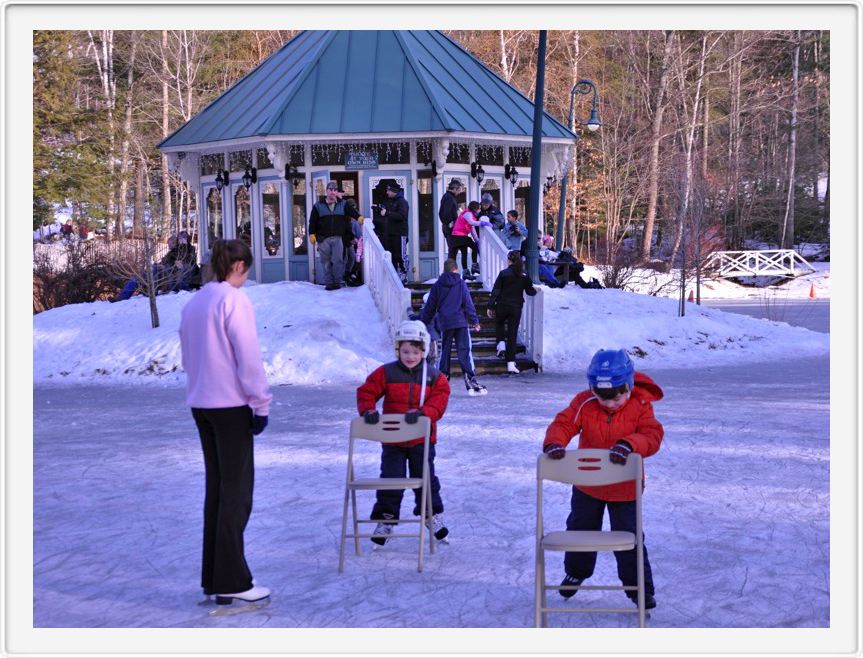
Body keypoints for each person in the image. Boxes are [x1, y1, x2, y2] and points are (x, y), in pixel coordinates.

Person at [178, 239, 273, 609]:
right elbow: (247, 356)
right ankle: (233, 580)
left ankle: (215, 580)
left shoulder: (194, 303)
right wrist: (260, 404)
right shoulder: (233, 301)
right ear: (237, 267)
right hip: (230, 406)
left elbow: (188, 355)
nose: (246, 277)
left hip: (202, 404)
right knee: (236, 495)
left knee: (217, 492)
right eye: (247, 270)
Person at [542, 349, 664, 610]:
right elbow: (564, 423)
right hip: (588, 485)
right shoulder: (584, 402)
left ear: (628, 386)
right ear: (592, 388)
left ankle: (639, 588)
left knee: (630, 539)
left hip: (625, 489)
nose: (609, 404)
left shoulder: (641, 405)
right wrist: (555, 442)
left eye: (616, 398)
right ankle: (577, 572)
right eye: (601, 397)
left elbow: (652, 435)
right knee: (580, 530)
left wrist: (630, 444)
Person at [357, 320, 452, 544]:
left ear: (424, 351)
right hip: (393, 440)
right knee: (391, 478)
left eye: (415, 351)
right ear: (398, 350)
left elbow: (440, 401)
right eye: (405, 351)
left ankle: (430, 515)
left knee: (426, 477)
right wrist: (368, 410)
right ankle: (386, 519)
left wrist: (422, 412)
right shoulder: (386, 372)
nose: (410, 356)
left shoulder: (434, 377)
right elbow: (366, 391)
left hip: (422, 440)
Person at [420, 259, 487, 396]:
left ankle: (443, 378)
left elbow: (430, 307)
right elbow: (468, 303)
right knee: (464, 350)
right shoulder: (461, 283)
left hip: (446, 323)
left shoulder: (438, 285)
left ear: (444, 270)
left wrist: (423, 323)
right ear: (455, 269)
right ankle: (470, 379)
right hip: (460, 322)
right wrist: (474, 321)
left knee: (445, 351)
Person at [487, 250, 537, 374]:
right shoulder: (524, 274)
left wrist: (490, 306)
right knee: (512, 334)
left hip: (502, 305)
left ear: (509, 260)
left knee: (499, 323)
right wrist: (535, 291)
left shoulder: (503, 274)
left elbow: (496, 290)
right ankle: (510, 363)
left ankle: (501, 344)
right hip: (516, 307)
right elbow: (530, 290)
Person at [309, 181, 360, 291]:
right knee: (326, 261)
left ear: (336, 192)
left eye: (335, 190)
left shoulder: (343, 204)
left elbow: (352, 212)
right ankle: (329, 283)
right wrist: (312, 234)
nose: (333, 192)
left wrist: (359, 217)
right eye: (330, 190)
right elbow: (312, 222)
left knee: (338, 261)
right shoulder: (318, 206)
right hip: (323, 239)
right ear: (326, 191)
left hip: (338, 238)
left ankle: (337, 282)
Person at [449, 201, 491, 281]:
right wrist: (483, 223)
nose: (479, 210)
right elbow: (472, 223)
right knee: (474, 247)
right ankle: (474, 266)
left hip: (459, 236)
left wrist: (477, 240)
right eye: (478, 208)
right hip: (459, 236)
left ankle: (465, 273)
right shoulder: (467, 214)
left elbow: (472, 229)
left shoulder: (470, 215)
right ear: (474, 209)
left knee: (464, 253)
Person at [380, 182, 410, 279]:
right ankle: (394, 275)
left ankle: (404, 274)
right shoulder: (391, 201)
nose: (387, 192)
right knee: (392, 256)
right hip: (391, 234)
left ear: (394, 191)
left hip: (400, 234)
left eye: (389, 190)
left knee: (401, 255)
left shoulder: (402, 202)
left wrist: (387, 213)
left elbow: (402, 216)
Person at [438, 178, 462, 254]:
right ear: (454, 189)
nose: (459, 192)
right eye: (459, 190)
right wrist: (452, 226)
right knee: (453, 251)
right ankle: (450, 266)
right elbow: (446, 215)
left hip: (449, 228)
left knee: (453, 250)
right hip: (450, 229)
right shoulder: (449, 198)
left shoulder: (449, 197)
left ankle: (451, 265)